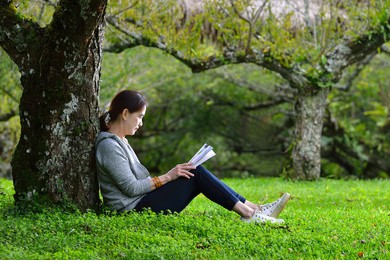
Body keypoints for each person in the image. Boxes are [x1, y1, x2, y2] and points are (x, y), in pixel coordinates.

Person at [95, 89, 290, 223]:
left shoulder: (120, 141)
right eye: (140, 117)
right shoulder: (109, 147)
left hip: (142, 202)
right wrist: (168, 176)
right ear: (126, 113)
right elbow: (130, 188)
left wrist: (172, 176)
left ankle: (255, 208)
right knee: (195, 174)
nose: (141, 123)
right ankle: (249, 213)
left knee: (194, 170)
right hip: (132, 211)